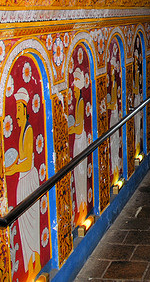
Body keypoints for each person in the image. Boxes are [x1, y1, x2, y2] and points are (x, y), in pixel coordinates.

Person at [5, 88, 42, 278]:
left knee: (30, 224)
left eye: (19, 108)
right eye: (16, 108)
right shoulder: (22, 130)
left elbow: (27, 162)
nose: (17, 112)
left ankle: (33, 264)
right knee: (24, 224)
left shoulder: (27, 130)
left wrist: (10, 170)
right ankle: (31, 266)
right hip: (23, 180)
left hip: (28, 179)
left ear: (25, 109)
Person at [68, 68, 88, 226]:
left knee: (80, 173)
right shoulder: (79, 102)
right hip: (78, 141)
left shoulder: (81, 103)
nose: (73, 91)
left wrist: (68, 129)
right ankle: (82, 208)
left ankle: (82, 208)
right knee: (78, 173)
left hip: (80, 141)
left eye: (74, 89)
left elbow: (79, 126)